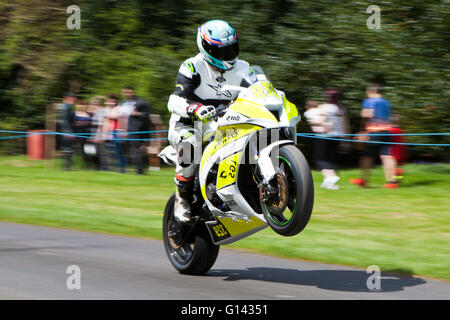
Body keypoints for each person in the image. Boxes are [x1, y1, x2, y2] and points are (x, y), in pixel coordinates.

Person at [167, 20, 261, 223]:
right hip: (189, 123)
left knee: (258, 133)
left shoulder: (244, 68)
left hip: (225, 122)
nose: (228, 55)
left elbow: (260, 89)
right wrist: (195, 108)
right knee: (190, 145)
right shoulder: (193, 66)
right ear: (206, 47)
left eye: (231, 48)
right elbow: (174, 99)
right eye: (221, 51)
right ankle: (181, 199)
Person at [350, 84, 398, 188]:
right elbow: (392, 117)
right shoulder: (386, 102)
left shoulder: (369, 101)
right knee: (387, 156)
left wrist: (362, 130)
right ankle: (392, 182)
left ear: (369, 92)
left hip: (373, 131)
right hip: (387, 131)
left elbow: (366, 115)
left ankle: (364, 180)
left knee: (367, 156)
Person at [119, 86, 153, 174]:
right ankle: (140, 168)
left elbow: (147, 113)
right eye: (125, 93)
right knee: (135, 150)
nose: (127, 94)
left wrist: (137, 113)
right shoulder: (123, 103)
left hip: (138, 130)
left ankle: (140, 170)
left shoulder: (140, 101)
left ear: (133, 92)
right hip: (130, 129)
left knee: (136, 150)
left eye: (129, 92)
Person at [56, 92, 77, 170]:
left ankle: (65, 167)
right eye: (73, 98)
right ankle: (67, 168)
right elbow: (64, 120)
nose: (75, 99)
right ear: (68, 98)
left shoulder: (62, 106)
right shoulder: (66, 106)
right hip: (66, 131)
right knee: (68, 149)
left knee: (66, 148)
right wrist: (68, 132)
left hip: (63, 131)